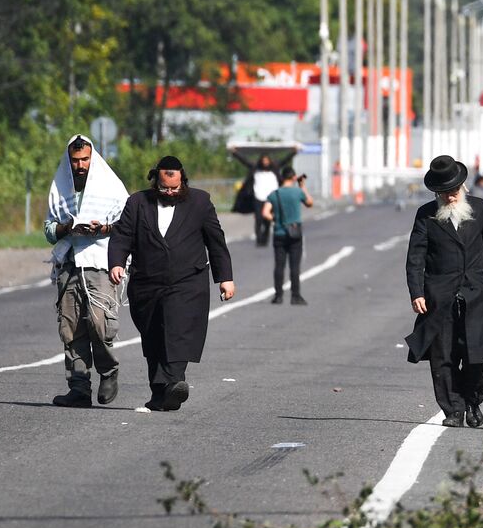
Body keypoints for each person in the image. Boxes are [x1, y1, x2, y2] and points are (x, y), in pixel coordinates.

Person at [108, 156, 235, 412]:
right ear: (156, 182)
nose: (169, 192)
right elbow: (123, 235)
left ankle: (176, 381)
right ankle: (160, 394)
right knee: (153, 335)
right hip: (146, 282)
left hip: (187, 281)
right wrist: (117, 262)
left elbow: (215, 241)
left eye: (174, 188)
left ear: (183, 181)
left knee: (176, 329)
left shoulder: (200, 202)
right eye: (164, 188)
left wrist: (225, 278)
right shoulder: (138, 202)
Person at [404, 156, 483, 429]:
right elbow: (416, 257)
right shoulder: (426, 215)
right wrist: (417, 293)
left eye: (453, 191)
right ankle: (452, 409)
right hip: (440, 297)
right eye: (443, 192)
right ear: (436, 192)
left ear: (462, 186)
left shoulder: (480, 209)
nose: (450, 196)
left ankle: (472, 400)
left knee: (476, 354)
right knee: (443, 357)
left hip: (474, 293)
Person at [45, 134, 130, 407]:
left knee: (98, 322)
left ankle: (108, 372)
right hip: (69, 262)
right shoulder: (60, 188)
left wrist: (102, 229)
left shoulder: (110, 186)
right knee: (70, 327)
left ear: (92, 158)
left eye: (85, 159)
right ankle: (79, 386)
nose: (80, 165)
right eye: (75, 160)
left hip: (100, 261)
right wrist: (66, 228)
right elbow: (48, 230)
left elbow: (128, 224)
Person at [261, 166, 313, 306]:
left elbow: (265, 212)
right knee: (294, 266)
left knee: (279, 265)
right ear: (294, 177)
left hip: (279, 233)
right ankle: (295, 296)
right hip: (295, 233)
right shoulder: (297, 192)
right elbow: (310, 203)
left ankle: (278, 296)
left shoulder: (274, 194)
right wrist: (302, 186)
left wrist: (276, 219)